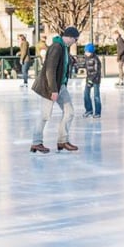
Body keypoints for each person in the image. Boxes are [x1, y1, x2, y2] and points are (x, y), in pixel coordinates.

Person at [30, 26, 79, 154]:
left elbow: (61, 67)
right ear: (69, 37)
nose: (75, 42)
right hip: (50, 87)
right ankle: (36, 143)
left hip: (60, 86)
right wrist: (53, 90)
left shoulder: (64, 48)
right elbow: (50, 70)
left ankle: (62, 141)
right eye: (75, 39)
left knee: (69, 112)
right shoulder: (57, 47)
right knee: (45, 115)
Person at [82, 43, 102, 119]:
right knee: (86, 94)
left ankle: (97, 112)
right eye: (85, 51)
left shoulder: (96, 59)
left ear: (91, 52)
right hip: (89, 79)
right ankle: (89, 110)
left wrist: (91, 80)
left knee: (96, 96)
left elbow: (97, 72)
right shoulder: (86, 58)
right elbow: (84, 65)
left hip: (95, 79)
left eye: (86, 51)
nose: (85, 53)